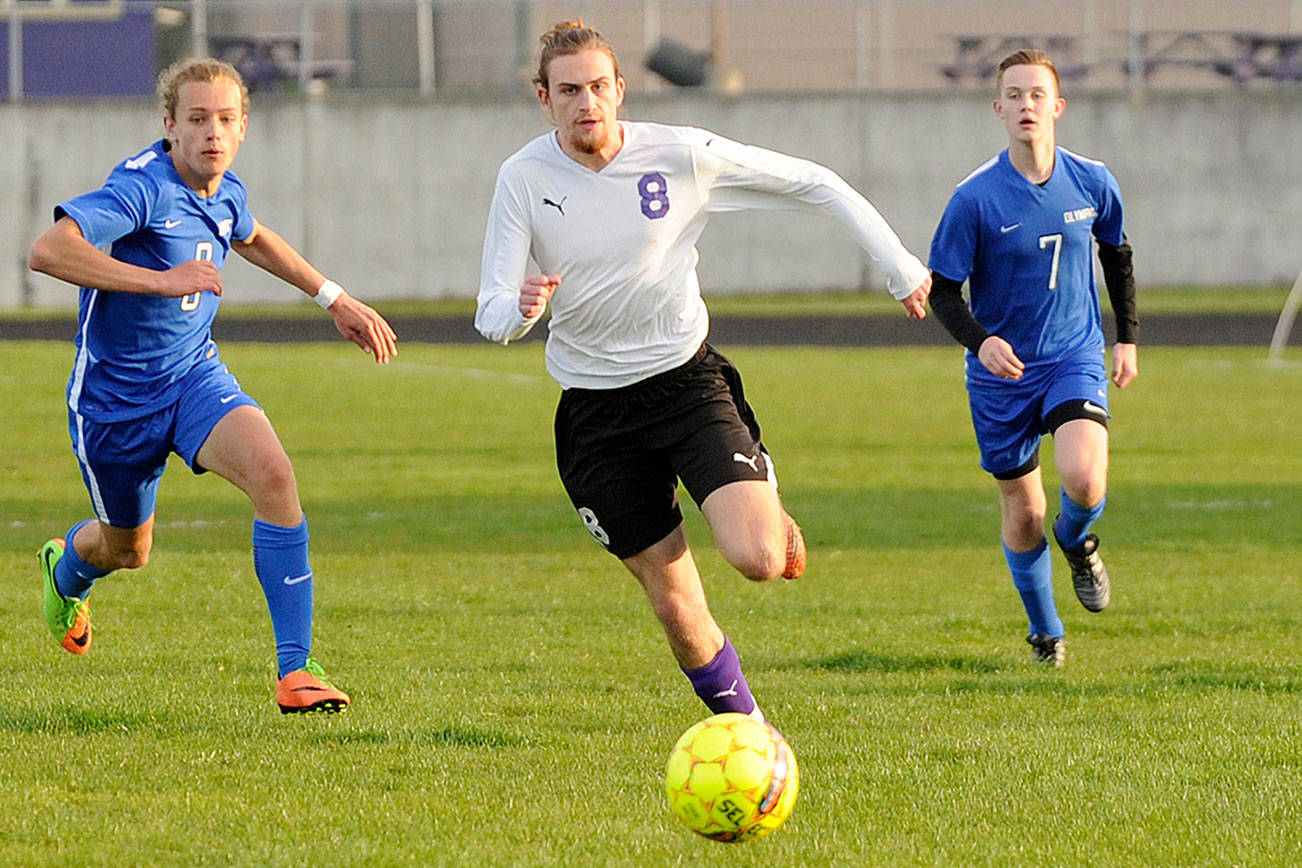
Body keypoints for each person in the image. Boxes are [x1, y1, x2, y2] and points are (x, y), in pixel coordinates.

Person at [475, 21, 931, 719]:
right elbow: (491, 314)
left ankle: (764, 490)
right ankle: (746, 734)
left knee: (758, 559)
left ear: (621, 90)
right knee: (676, 605)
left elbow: (816, 182)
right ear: (544, 99)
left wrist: (899, 266)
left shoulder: (681, 153)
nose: (586, 102)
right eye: (568, 90)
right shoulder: (523, 178)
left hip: (686, 387)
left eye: (599, 87)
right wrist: (523, 307)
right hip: (596, 416)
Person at [27, 57, 398, 713]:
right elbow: (50, 251)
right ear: (169, 125)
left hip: (194, 378)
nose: (212, 133)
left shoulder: (225, 191)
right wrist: (159, 280)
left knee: (275, 475)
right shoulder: (140, 188)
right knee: (127, 551)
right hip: (114, 404)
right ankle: (67, 571)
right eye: (197, 119)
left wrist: (332, 297)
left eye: (225, 120)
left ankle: (297, 670)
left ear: (243, 126)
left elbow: (251, 236)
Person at [927, 49, 1138, 666]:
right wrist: (981, 341)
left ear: (1057, 107)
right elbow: (942, 289)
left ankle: (1077, 542)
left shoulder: (1092, 179)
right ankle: (1046, 633)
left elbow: (1116, 254)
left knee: (1083, 477)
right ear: (998, 109)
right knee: (1024, 511)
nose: (1026, 105)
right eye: (1014, 96)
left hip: (1073, 355)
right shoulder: (975, 198)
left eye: (1037, 95)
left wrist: (1126, 337)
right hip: (1003, 376)